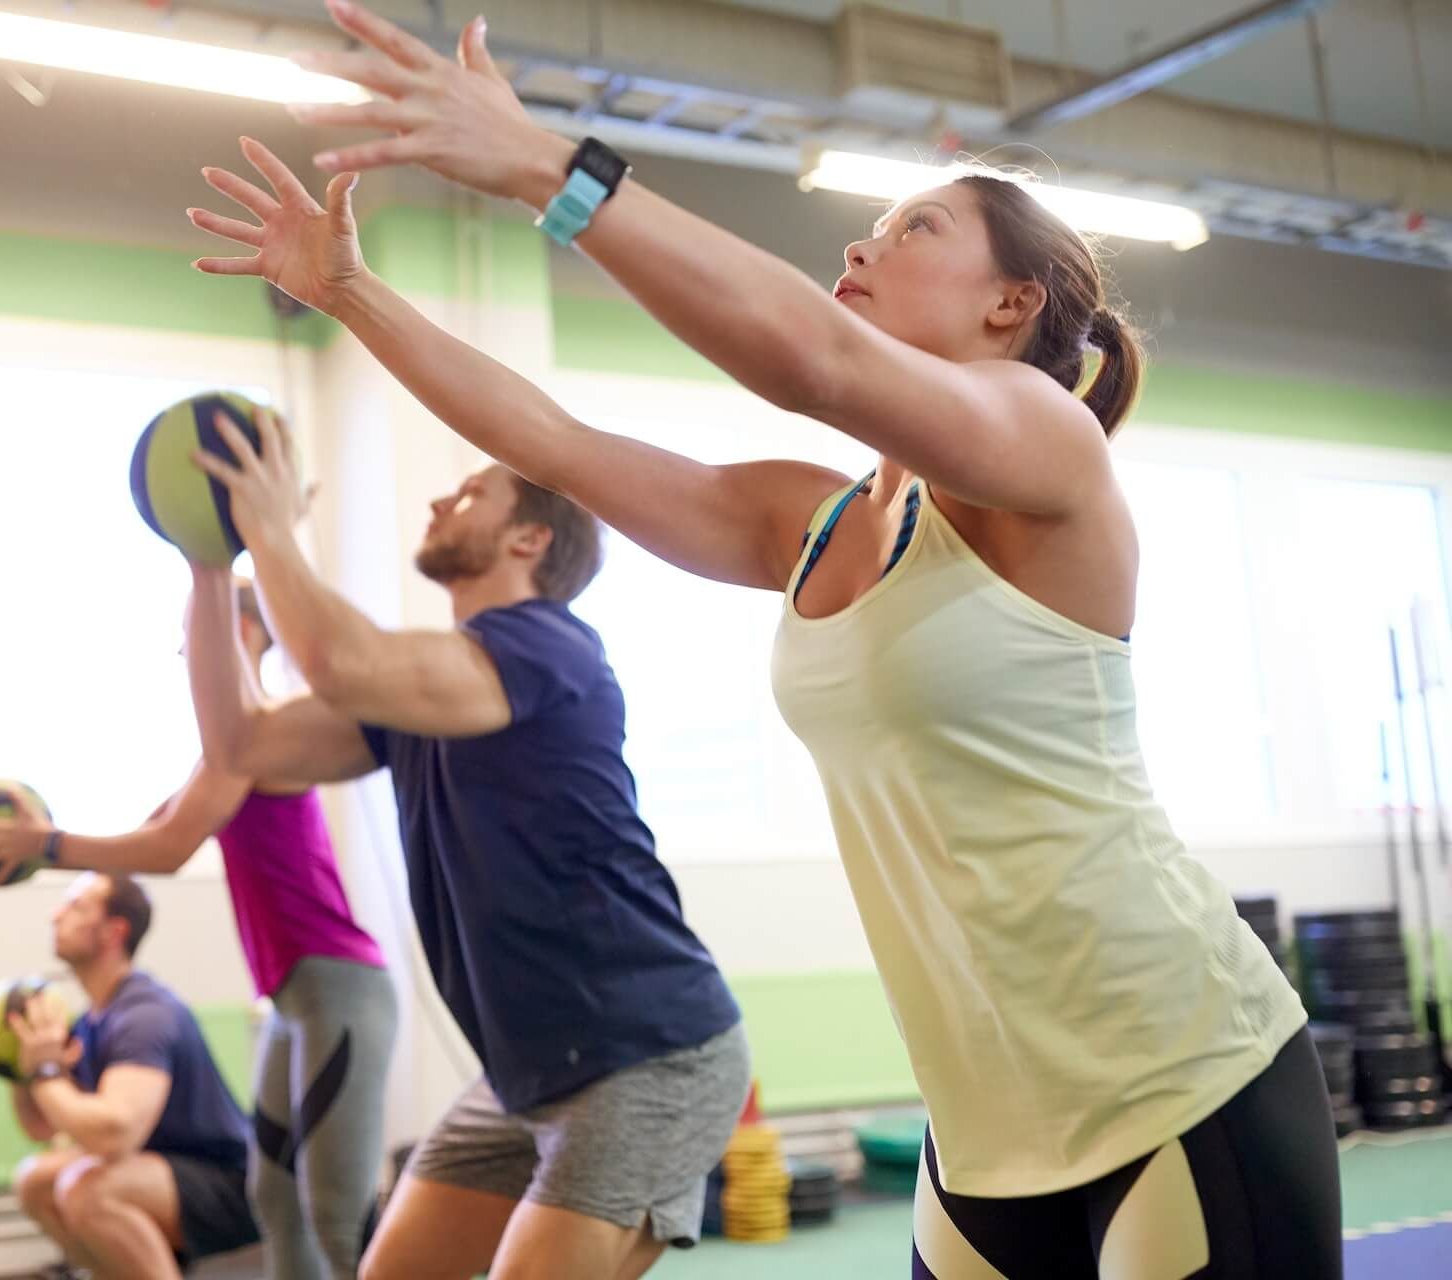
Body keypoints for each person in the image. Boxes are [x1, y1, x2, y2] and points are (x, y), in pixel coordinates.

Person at [180, 4, 1343, 1275]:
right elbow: (557, 445)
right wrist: (350, 292)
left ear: (1015, 302)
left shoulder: (1046, 445)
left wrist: (544, 170)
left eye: (916, 228)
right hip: (984, 1134)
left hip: (1180, 1076)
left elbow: (813, 356)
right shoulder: (821, 519)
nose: (864, 241)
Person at [177, 416, 748, 1280]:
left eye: (472, 491)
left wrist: (267, 528)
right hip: (523, 1077)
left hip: (648, 1059)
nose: (443, 497)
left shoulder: (552, 645)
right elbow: (241, 747)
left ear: (530, 537)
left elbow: (342, 659)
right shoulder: (427, 695)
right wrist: (211, 562)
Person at [0, 583, 397, 1280]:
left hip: (340, 987)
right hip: (290, 999)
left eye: (197, 632)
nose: (186, 650)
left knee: (335, 1211)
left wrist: (43, 845)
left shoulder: (263, 738)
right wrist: (28, 847)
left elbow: (167, 850)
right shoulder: (224, 757)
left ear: (243, 631)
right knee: (278, 1200)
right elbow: (154, 832)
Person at [5, 871, 260, 1279]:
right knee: (36, 1179)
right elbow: (41, 1126)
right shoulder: (92, 1019)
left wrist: (45, 1074)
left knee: (87, 1189)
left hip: (232, 1187)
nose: (56, 916)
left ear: (113, 931)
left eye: (76, 907)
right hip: (159, 1172)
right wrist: (20, 1068)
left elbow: (114, 1133)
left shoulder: (144, 1014)